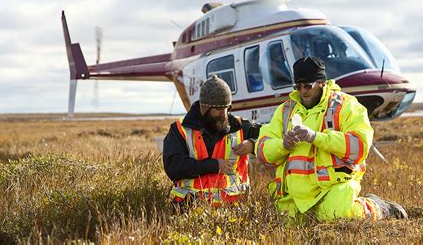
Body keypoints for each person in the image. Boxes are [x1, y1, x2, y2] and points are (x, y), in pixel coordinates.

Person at [256, 56, 407, 221]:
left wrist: (315, 137)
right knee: (284, 226)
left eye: (308, 86)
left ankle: (378, 206)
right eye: (298, 86)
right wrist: (282, 144)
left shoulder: (347, 105)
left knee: (335, 215)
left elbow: (360, 147)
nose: (303, 91)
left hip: (334, 186)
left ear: (322, 82)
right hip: (293, 195)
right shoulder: (284, 111)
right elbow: (262, 151)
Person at [163, 75, 261, 206]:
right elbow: (173, 168)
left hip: (234, 211)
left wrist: (253, 144)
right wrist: (213, 165)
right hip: (188, 209)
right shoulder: (179, 130)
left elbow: (269, 135)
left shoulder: (240, 125)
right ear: (204, 107)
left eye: (226, 108)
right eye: (219, 109)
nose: (224, 114)